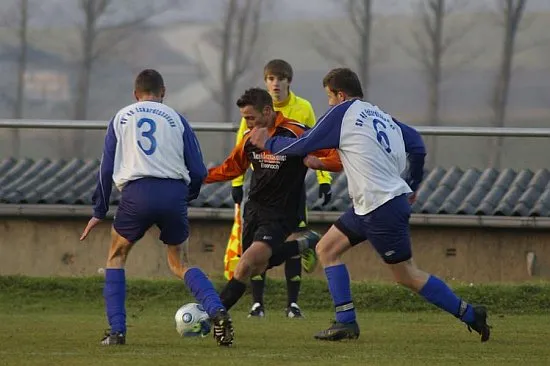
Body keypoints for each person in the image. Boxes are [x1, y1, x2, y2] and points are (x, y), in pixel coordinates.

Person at [249, 68, 491, 342]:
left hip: (380, 207)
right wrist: (411, 183)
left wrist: (268, 141)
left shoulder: (343, 112)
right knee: (326, 248)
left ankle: (471, 314)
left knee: (407, 276)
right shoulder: (382, 116)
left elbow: (305, 143)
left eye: (329, 97)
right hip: (370, 205)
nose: (328, 104)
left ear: (340, 95)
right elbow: (417, 146)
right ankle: (345, 321)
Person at [79, 69, 234, 347]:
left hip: (137, 193)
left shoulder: (121, 117)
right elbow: (198, 170)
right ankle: (217, 310)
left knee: (116, 256)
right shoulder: (177, 119)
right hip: (173, 192)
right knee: (181, 263)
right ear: (163, 92)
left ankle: (117, 332)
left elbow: (105, 169)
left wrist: (98, 211)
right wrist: (187, 197)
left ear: (135, 94)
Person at [205, 87, 342, 315]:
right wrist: (201, 178)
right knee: (255, 267)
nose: (247, 123)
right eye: (244, 118)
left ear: (267, 111)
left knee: (246, 264)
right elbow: (232, 167)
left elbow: (337, 156)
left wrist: (321, 165)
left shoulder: (297, 133)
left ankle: (211, 315)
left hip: (282, 213)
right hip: (254, 210)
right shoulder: (250, 138)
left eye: (251, 117)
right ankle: (303, 244)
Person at [231, 59, 332, 318]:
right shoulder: (253, 110)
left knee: (285, 240)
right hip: (261, 189)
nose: (275, 83)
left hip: (289, 191)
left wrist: (324, 179)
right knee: (254, 248)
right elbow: (242, 147)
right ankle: (257, 303)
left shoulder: (302, 109)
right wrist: (237, 182)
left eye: (280, 79)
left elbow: (316, 143)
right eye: (271, 79)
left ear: (289, 81)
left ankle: (293, 303)